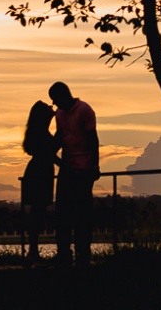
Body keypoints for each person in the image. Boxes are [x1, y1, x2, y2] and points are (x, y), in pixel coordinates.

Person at [48, 81, 100, 267]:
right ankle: (64, 253)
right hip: (67, 169)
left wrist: (95, 166)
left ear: (63, 95)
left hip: (84, 168)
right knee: (62, 213)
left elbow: (93, 139)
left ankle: (83, 254)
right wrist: (50, 152)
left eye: (55, 99)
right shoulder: (60, 114)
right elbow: (61, 137)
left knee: (83, 214)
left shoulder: (85, 110)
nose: (54, 103)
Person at [20, 100, 59, 264]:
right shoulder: (41, 133)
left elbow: (52, 151)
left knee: (38, 213)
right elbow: (51, 153)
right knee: (38, 213)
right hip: (40, 173)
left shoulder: (41, 132)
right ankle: (33, 251)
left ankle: (33, 251)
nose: (52, 108)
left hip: (39, 171)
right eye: (48, 107)